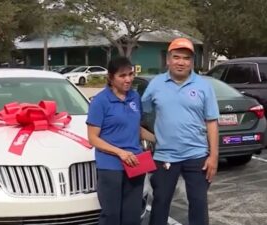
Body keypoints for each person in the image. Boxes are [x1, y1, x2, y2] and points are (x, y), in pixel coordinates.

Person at [142, 37, 219, 225]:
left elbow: (212, 123)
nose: (181, 62)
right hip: (165, 155)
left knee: (199, 204)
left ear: (192, 62)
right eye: (176, 57)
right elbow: (139, 113)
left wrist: (214, 157)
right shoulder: (155, 85)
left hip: (197, 156)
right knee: (160, 203)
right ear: (168, 59)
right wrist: (152, 138)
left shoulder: (203, 87)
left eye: (186, 58)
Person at [86, 56, 155, 225]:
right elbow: (93, 138)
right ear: (110, 77)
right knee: (111, 215)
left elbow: (134, 128)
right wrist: (120, 152)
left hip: (135, 163)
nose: (128, 79)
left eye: (131, 74)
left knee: (132, 215)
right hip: (111, 167)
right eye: (122, 76)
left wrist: (157, 139)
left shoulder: (134, 97)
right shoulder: (100, 101)